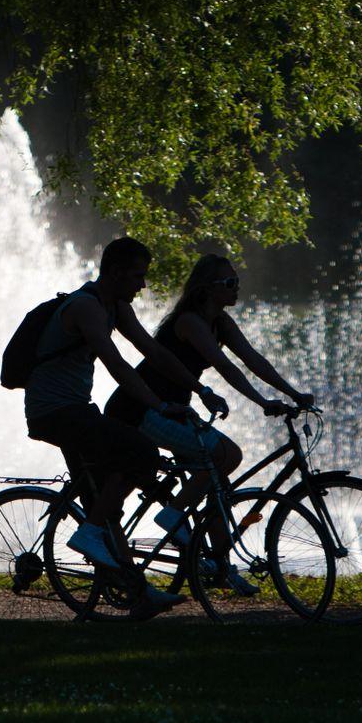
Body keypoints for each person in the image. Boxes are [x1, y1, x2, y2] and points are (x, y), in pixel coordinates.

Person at [24, 236, 231, 616]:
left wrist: (198, 388)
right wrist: (158, 405)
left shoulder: (115, 306)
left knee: (107, 497)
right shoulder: (86, 307)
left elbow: (153, 352)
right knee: (140, 452)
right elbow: (116, 364)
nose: (143, 284)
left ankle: (136, 592)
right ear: (115, 272)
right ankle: (89, 533)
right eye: (138, 275)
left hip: (76, 410)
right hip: (55, 412)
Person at [103, 254, 314, 594]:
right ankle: (171, 516)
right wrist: (263, 403)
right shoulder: (189, 322)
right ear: (206, 289)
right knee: (227, 455)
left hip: (172, 410)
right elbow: (226, 367)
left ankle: (221, 567)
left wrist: (293, 394)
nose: (236, 289)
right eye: (229, 284)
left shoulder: (222, 322)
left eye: (237, 283)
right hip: (143, 410)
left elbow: (253, 360)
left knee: (218, 487)